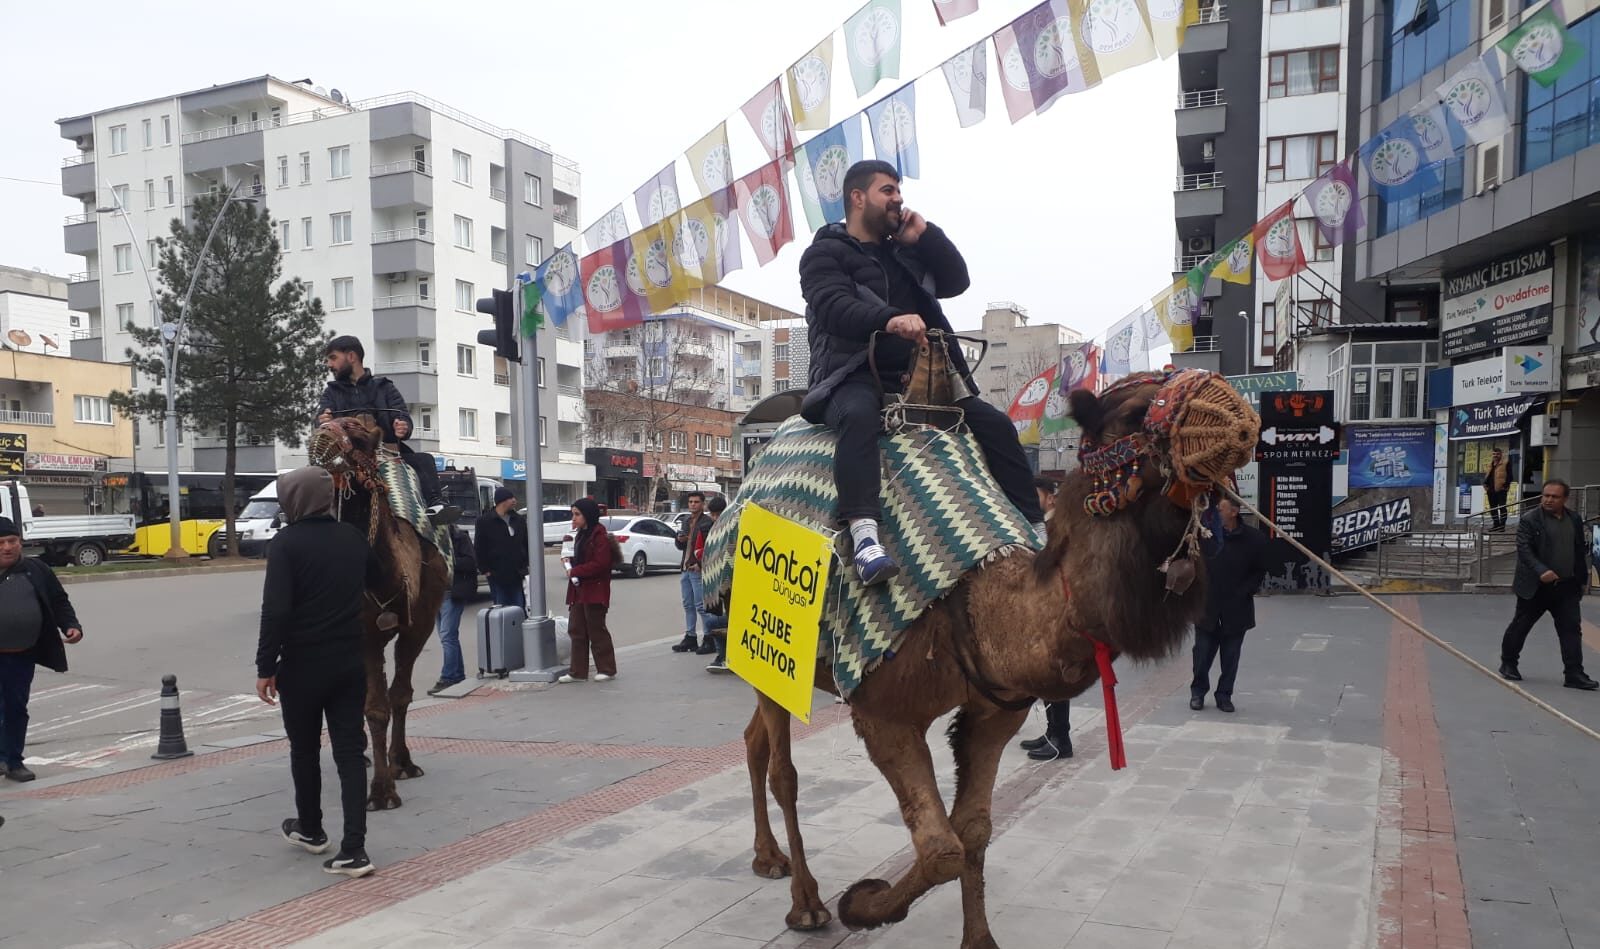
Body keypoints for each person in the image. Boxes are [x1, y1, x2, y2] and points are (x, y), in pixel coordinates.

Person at [798, 160, 1043, 586]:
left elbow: (956, 280)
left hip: (922, 375)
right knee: (857, 415)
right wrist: (891, 319)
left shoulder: (904, 252)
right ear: (858, 198)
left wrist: (926, 236)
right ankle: (865, 536)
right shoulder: (823, 255)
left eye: (898, 191)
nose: (898, 199)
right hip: (851, 372)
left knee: (994, 424)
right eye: (887, 191)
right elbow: (834, 308)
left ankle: (1035, 527)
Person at [253, 467, 376, 877]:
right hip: (349, 661)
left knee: (304, 749)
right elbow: (374, 583)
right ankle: (355, 849)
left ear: (294, 500)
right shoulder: (353, 538)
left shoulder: (286, 544)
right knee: (349, 753)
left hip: (303, 665)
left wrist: (265, 666)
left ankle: (311, 828)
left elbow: (276, 611)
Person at [316, 335, 458, 525]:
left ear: (351, 356)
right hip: (347, 459)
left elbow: (403, 417)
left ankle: (435, 506)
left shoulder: (385, 388)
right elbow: (320, 422)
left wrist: (403, 427)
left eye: (333, 358)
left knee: (425, 460)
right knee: (313, 473)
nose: (329, 364)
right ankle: (311, 513)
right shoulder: (330, 393)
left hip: (388, 454)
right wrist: (322, 421)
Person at [0, 516, 83, 783]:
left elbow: (59, 600)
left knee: (15, 707)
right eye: (0, 543)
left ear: (20, 542)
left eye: (11, 541)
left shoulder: (36, 569)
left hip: (21, 653)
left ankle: (13, 761)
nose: (6, 547)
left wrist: (71, 625)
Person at [1500, 479, 1598, 690]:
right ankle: (1508, 663)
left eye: (1554, 496)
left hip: (1566, 587)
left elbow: (1579, 550)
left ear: (1565, 499)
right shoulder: (1530, 519)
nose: (1548, 500)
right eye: (1546, 495)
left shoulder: (1574, 519)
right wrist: (1541, 570)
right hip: (1536, 586)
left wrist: (1581, 578)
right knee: (1521, 625)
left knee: (1571, 630)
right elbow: (1524, 549)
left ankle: (1574, 673)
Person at [1190, 496, 1269, 713]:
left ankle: (1224, 695)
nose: (1216, 511)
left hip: (1237, 608)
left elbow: (1259, 570)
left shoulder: (1254, 539)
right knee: (1202, 654)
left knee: (1231, 656)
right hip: (1207, 607)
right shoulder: (1205, 535)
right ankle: (1197, 693)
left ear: (1234, 512)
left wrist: (1244, 592)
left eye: (1220, 508)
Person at [1017, 478, 1072, 760]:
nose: (1031, 500)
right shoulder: (1046, 526)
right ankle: (1053, 732)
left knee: (1056, 676)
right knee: (1047, 676)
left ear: (1050, 498)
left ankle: (1061, 739)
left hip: (1058, 613)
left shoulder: (1058, 529)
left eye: (1035, 495)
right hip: (1046, 611)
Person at [560, 497, 618, 684]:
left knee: (596, 629)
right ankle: (578, 671)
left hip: (595, 590)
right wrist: (568, 562)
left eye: (577, 514)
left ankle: (607, 669)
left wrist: (575, 570)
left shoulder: (599, 536)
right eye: (573, 514)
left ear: (588, 515)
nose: (574, 518)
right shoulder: (581, 535)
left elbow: (600, 564)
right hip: (579, 590)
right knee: (576, 629)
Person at [427, 525, 475, 696]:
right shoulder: (428, 537)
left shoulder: (459, 537)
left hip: (452, 593)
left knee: (447, 636)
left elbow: (470, 562)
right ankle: (458, 674)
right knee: (447, 636)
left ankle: (448, 677)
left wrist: (448, 559)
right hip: (436, 593)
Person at [672, 492, 717, 655]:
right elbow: (680, 545)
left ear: (703, 504)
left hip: (697, 568)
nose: (693, 505)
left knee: (701, 606)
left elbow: (709, 546)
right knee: (688, 604)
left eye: (696, 502)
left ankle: (709, 638)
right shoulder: (686, 520)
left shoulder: (707, 522)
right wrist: (680, 540)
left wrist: (699, 564)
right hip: (685, 567)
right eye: (690, 502)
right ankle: (690, 636)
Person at [475, 487, 529, 610]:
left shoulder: (519, 520)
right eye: (511, 498)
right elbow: (479, 547)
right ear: (502, 501)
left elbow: (525, 543)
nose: (514, 501)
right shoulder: (484, 521)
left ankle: (518, 629)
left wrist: (525, 563)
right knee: (501, 609)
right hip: (496, 574)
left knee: (519, 607)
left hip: (516, 573)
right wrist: (485, 569)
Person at [702, 496, 733, 674]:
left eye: (716, 514)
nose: (714, 518)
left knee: (713, 622)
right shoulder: (715, 528)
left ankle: (724, 658)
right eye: (712, 515)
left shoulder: (727, 528)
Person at [1485, 449, 1511, 531]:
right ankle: (1496, 525)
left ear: (1501, 454)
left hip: (1501, 489)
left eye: (1497, 454)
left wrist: (1505, 486)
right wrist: (1485, 485)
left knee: (1502, 507)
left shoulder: (1506, 463)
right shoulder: (1490, 464)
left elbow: (1510, 476)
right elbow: (1487, 475)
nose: (1495, 455)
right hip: (1491, 490)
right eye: (1494, 454)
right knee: (1493, 508)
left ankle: (1502, 526)